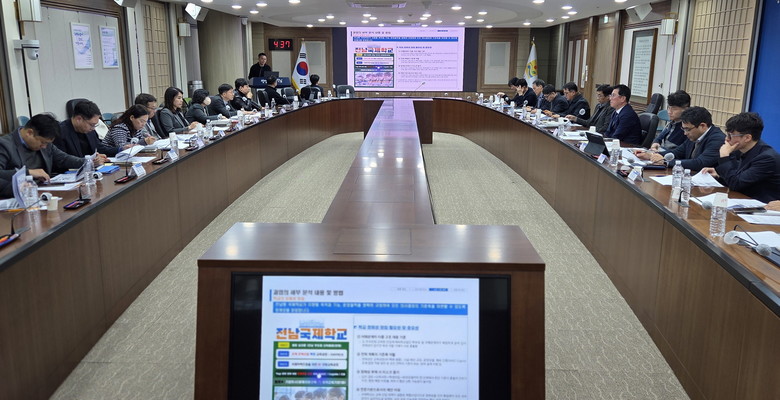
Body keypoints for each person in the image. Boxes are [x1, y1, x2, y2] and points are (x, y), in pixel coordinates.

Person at [701, 112, 780, 202]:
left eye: (731, 135)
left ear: (747, 138)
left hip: (763, 206)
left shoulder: (767, 158)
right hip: (744, 200)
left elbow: (736, 184)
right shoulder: (741, 150)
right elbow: (736, 176)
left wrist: (724, 157)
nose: (727, 139)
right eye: (727, 134)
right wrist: (719, 176)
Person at [0, 113, 95, 183]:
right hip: (18, 195)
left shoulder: (46, 143)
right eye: (42, 142)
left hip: (45, 190)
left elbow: (63, 159)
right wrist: (28, 172)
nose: (44, 146)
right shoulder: (4, 145)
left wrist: (89, 161)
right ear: (29, 133)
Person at [634, 106, 725, 171]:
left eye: (687, 129)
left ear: (702, 126)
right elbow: (677, 152)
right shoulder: (694, 135)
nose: (685, 133)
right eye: (683, 129)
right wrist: (651, 155)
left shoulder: (717, 140)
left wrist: (665, 162)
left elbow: (699, 163)